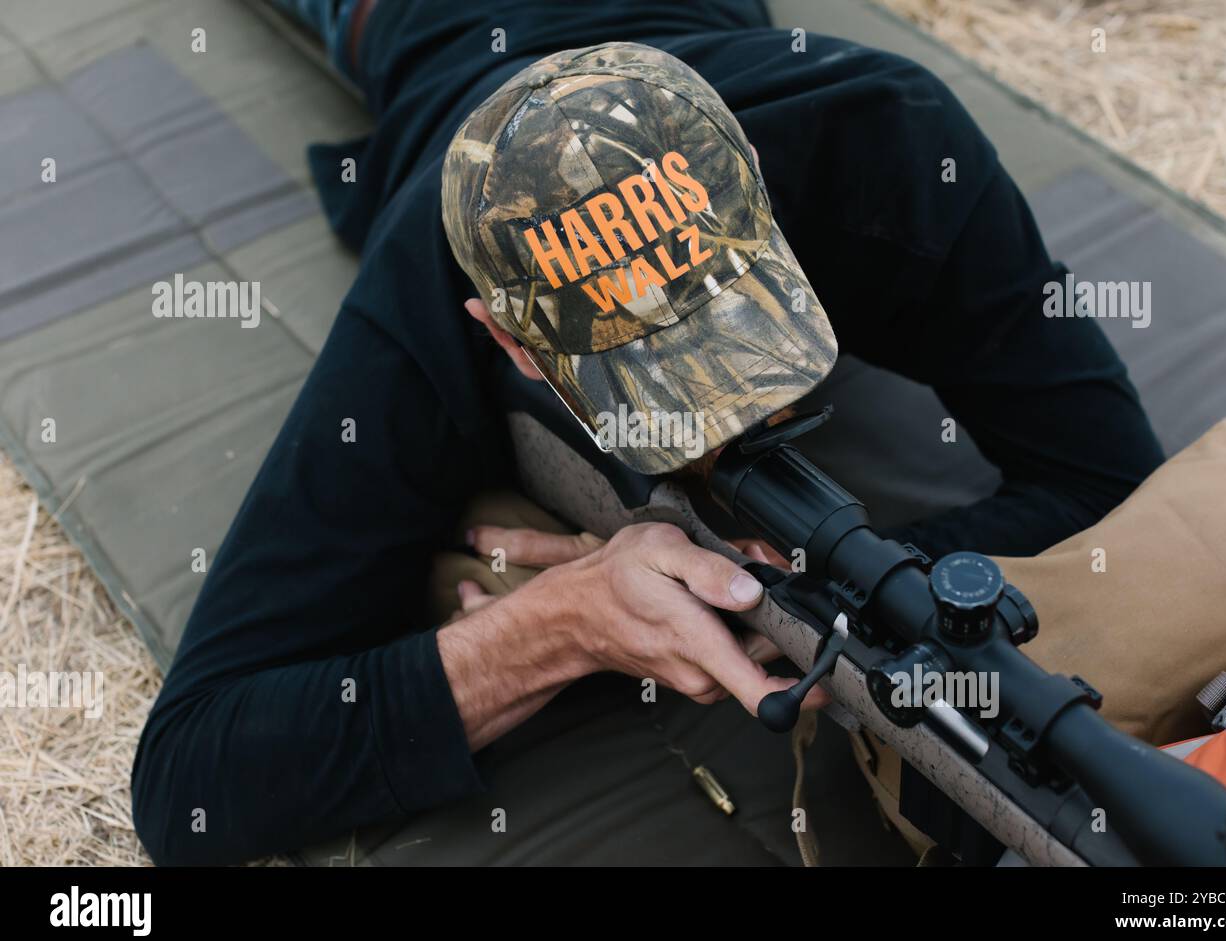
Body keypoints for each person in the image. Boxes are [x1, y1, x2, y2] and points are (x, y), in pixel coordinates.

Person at [130, 0, 1164, 866]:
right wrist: (560, 624)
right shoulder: (434, 289)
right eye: (648, 372)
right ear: (506, 336)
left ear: (750, 176)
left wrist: (803, 593)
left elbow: (1112, 473)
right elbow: (195, 774)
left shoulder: (887, 136)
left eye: (731, 314)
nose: (731, 420)